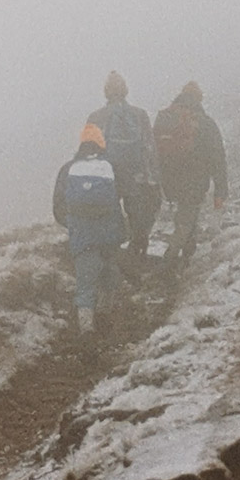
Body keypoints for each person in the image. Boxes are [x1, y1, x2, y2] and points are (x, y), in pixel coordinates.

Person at [53, 123, 126, 334]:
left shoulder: (68, 169)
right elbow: (126, 196)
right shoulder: (112, 166)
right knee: (110, 274)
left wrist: (75, 224)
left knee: (85, 283)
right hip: (109, 233)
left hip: (82, 237)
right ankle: (105, 314)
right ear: (101, 143)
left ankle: (87, 330)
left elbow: (58, 207)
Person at [152, 81, 228, 272]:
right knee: (186, 219)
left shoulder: (165, 118)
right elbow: (217, 157)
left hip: (169, 179)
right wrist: (220, 190)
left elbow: (153, 149)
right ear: (199, 98)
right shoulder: (205, 122)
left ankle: (186, 259)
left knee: (188, 216)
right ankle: (169, 262)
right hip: (194, 179)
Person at [86, 71, 160, 261]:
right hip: (135, 174)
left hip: (107, 174)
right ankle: (138, 252)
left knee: (109, 214)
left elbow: (86, 150)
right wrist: (152, 176)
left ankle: (110, 258)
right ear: (125, 91)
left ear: (106, 92)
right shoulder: (139, 114)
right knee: (137, 215)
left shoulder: (96, 117)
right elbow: (149, 147)